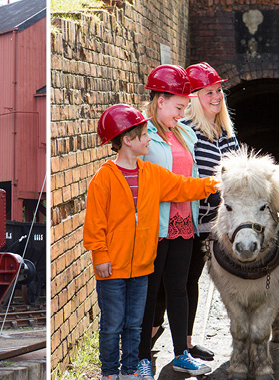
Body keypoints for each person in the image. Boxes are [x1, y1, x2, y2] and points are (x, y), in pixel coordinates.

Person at [84, 103, 218, 380]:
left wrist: (214, 184)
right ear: (127, 141)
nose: (149, 139)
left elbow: (183, 186)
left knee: (134, 324)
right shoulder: (103, 179)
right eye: (144, 135)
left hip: (142, 267)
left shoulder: (152, 174)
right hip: (112, 269)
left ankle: (131, 370)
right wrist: (100, 257)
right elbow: (95, 224)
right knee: (112, 325)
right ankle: (110, 373)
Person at [135, 65, 211, 379]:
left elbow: (191, 176)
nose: (182, 113)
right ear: (160, 100)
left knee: (178, 290)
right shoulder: (141, 135)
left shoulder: (184, 133)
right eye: (178, 107)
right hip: (154, 226)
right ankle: (141, 359)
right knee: (149, 293)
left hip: (183, 223)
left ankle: (182, 354)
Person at [183, 62, 239, 361]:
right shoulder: (189, 132)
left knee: (192, 281)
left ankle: (187, 343)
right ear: (193, 97)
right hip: (187, 221)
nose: (217, 96)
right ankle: (146, 344)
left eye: (218, 90)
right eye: (208, 92)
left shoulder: (226, 132)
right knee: (175, 284)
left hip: (212, 224)